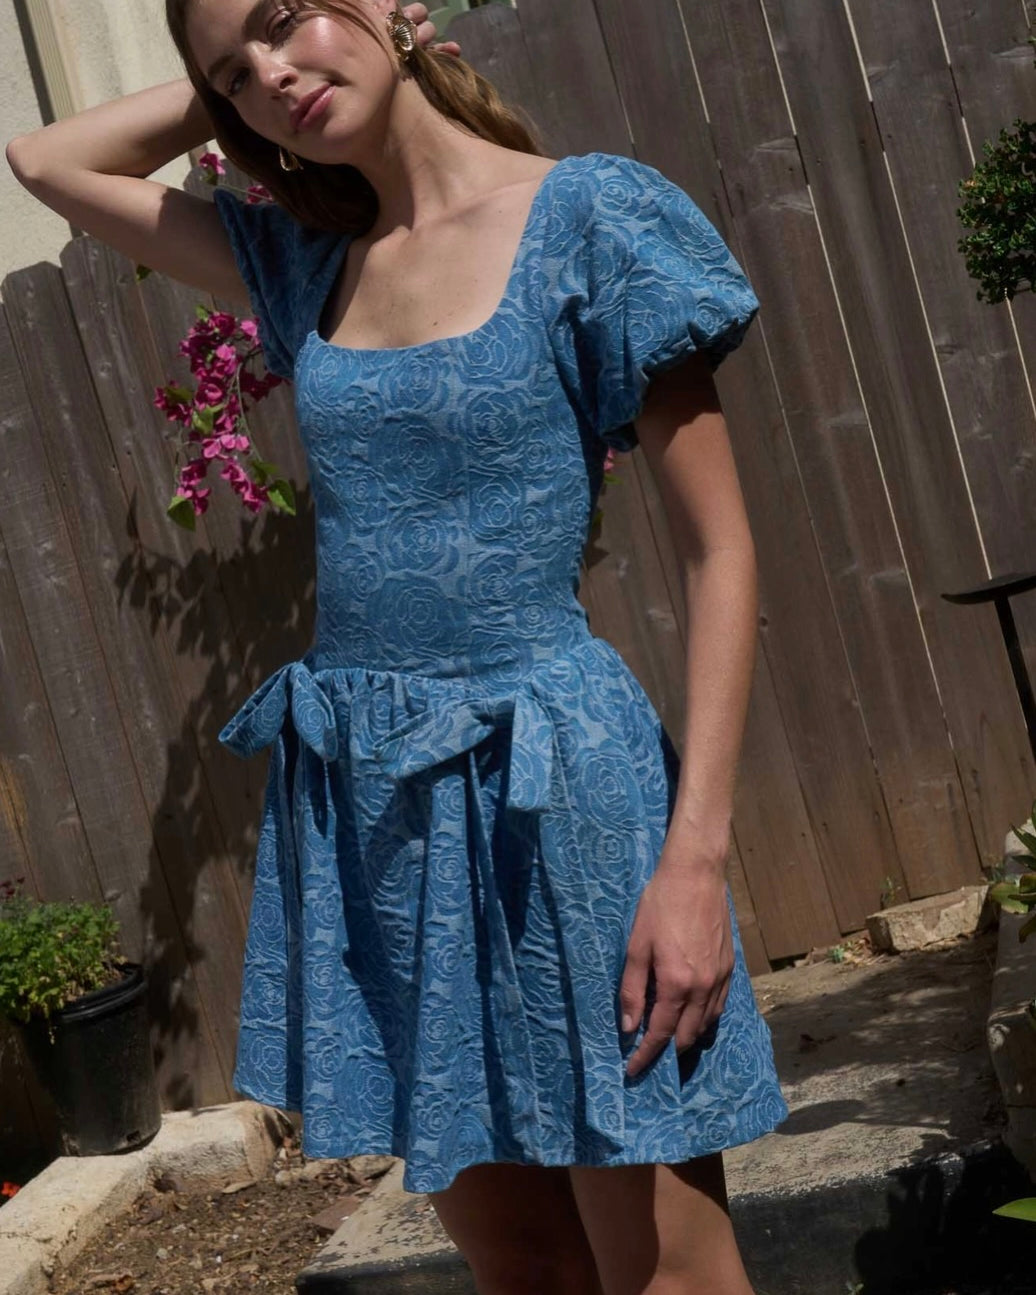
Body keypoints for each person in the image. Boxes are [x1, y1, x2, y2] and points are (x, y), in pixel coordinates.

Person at [6, 3, 788, 1291]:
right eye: (231, 71)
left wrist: (694, 858)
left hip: (558, 791)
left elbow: (723, 550)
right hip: (373, 811)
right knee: (518, 1265)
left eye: (279, 18)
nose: (269, 72)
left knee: (669, 1273)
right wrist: (260, 91)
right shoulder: (307, 261)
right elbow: (45, 163)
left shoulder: (589, 216)